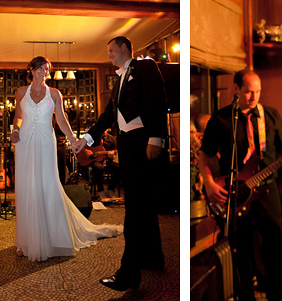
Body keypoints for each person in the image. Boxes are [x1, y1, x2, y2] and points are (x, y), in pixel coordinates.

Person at [199, 69, 282, 301]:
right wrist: (209, 183)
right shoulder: (220, 119)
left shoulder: (270, 115)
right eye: (249, 92)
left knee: (274, 246)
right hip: (236, 192)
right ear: (236, 89)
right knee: (242, 250)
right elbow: (205, 155)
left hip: (267, 189)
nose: (253, 97)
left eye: (257, 92)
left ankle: (275, 296)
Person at [72, 36, 169, 291]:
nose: (109, 56)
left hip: (143, 142)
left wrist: (157, 137)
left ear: (125, 48)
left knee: (135, 208)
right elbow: (106, 116)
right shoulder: (118, 80)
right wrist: (86, 139)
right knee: (143, 205)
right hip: (127, 146)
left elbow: (158, 100)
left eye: (111, 51)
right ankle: (152, 258)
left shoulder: (145, 67)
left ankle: (129, 273)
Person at [10, 56, 122, 262]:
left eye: (47, 69)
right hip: (25, 142)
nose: (45, 72)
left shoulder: (54, 93)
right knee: (27, 188)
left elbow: (61, 119)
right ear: (32, 69)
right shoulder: (20, 92)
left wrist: (73, 140)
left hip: (45, 141)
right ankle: (26, 241)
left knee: (48, 185)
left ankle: (52, 237)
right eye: (41, 68)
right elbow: (18, 115)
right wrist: (15, 129)